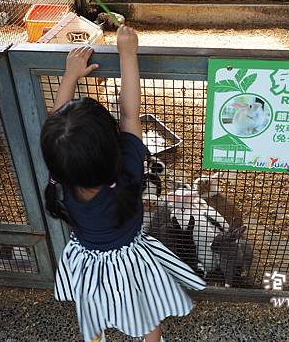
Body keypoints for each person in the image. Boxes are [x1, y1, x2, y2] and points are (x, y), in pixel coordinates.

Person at [40, 26, 206, 342]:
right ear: (110, 143)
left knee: (92, 307)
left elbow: (55, 124)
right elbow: (131, 115)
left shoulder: (61, 176)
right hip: (129, 261)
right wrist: (128, 53)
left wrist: (69, 76)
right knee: (145, 317)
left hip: (85, 260)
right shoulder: (127, 175)